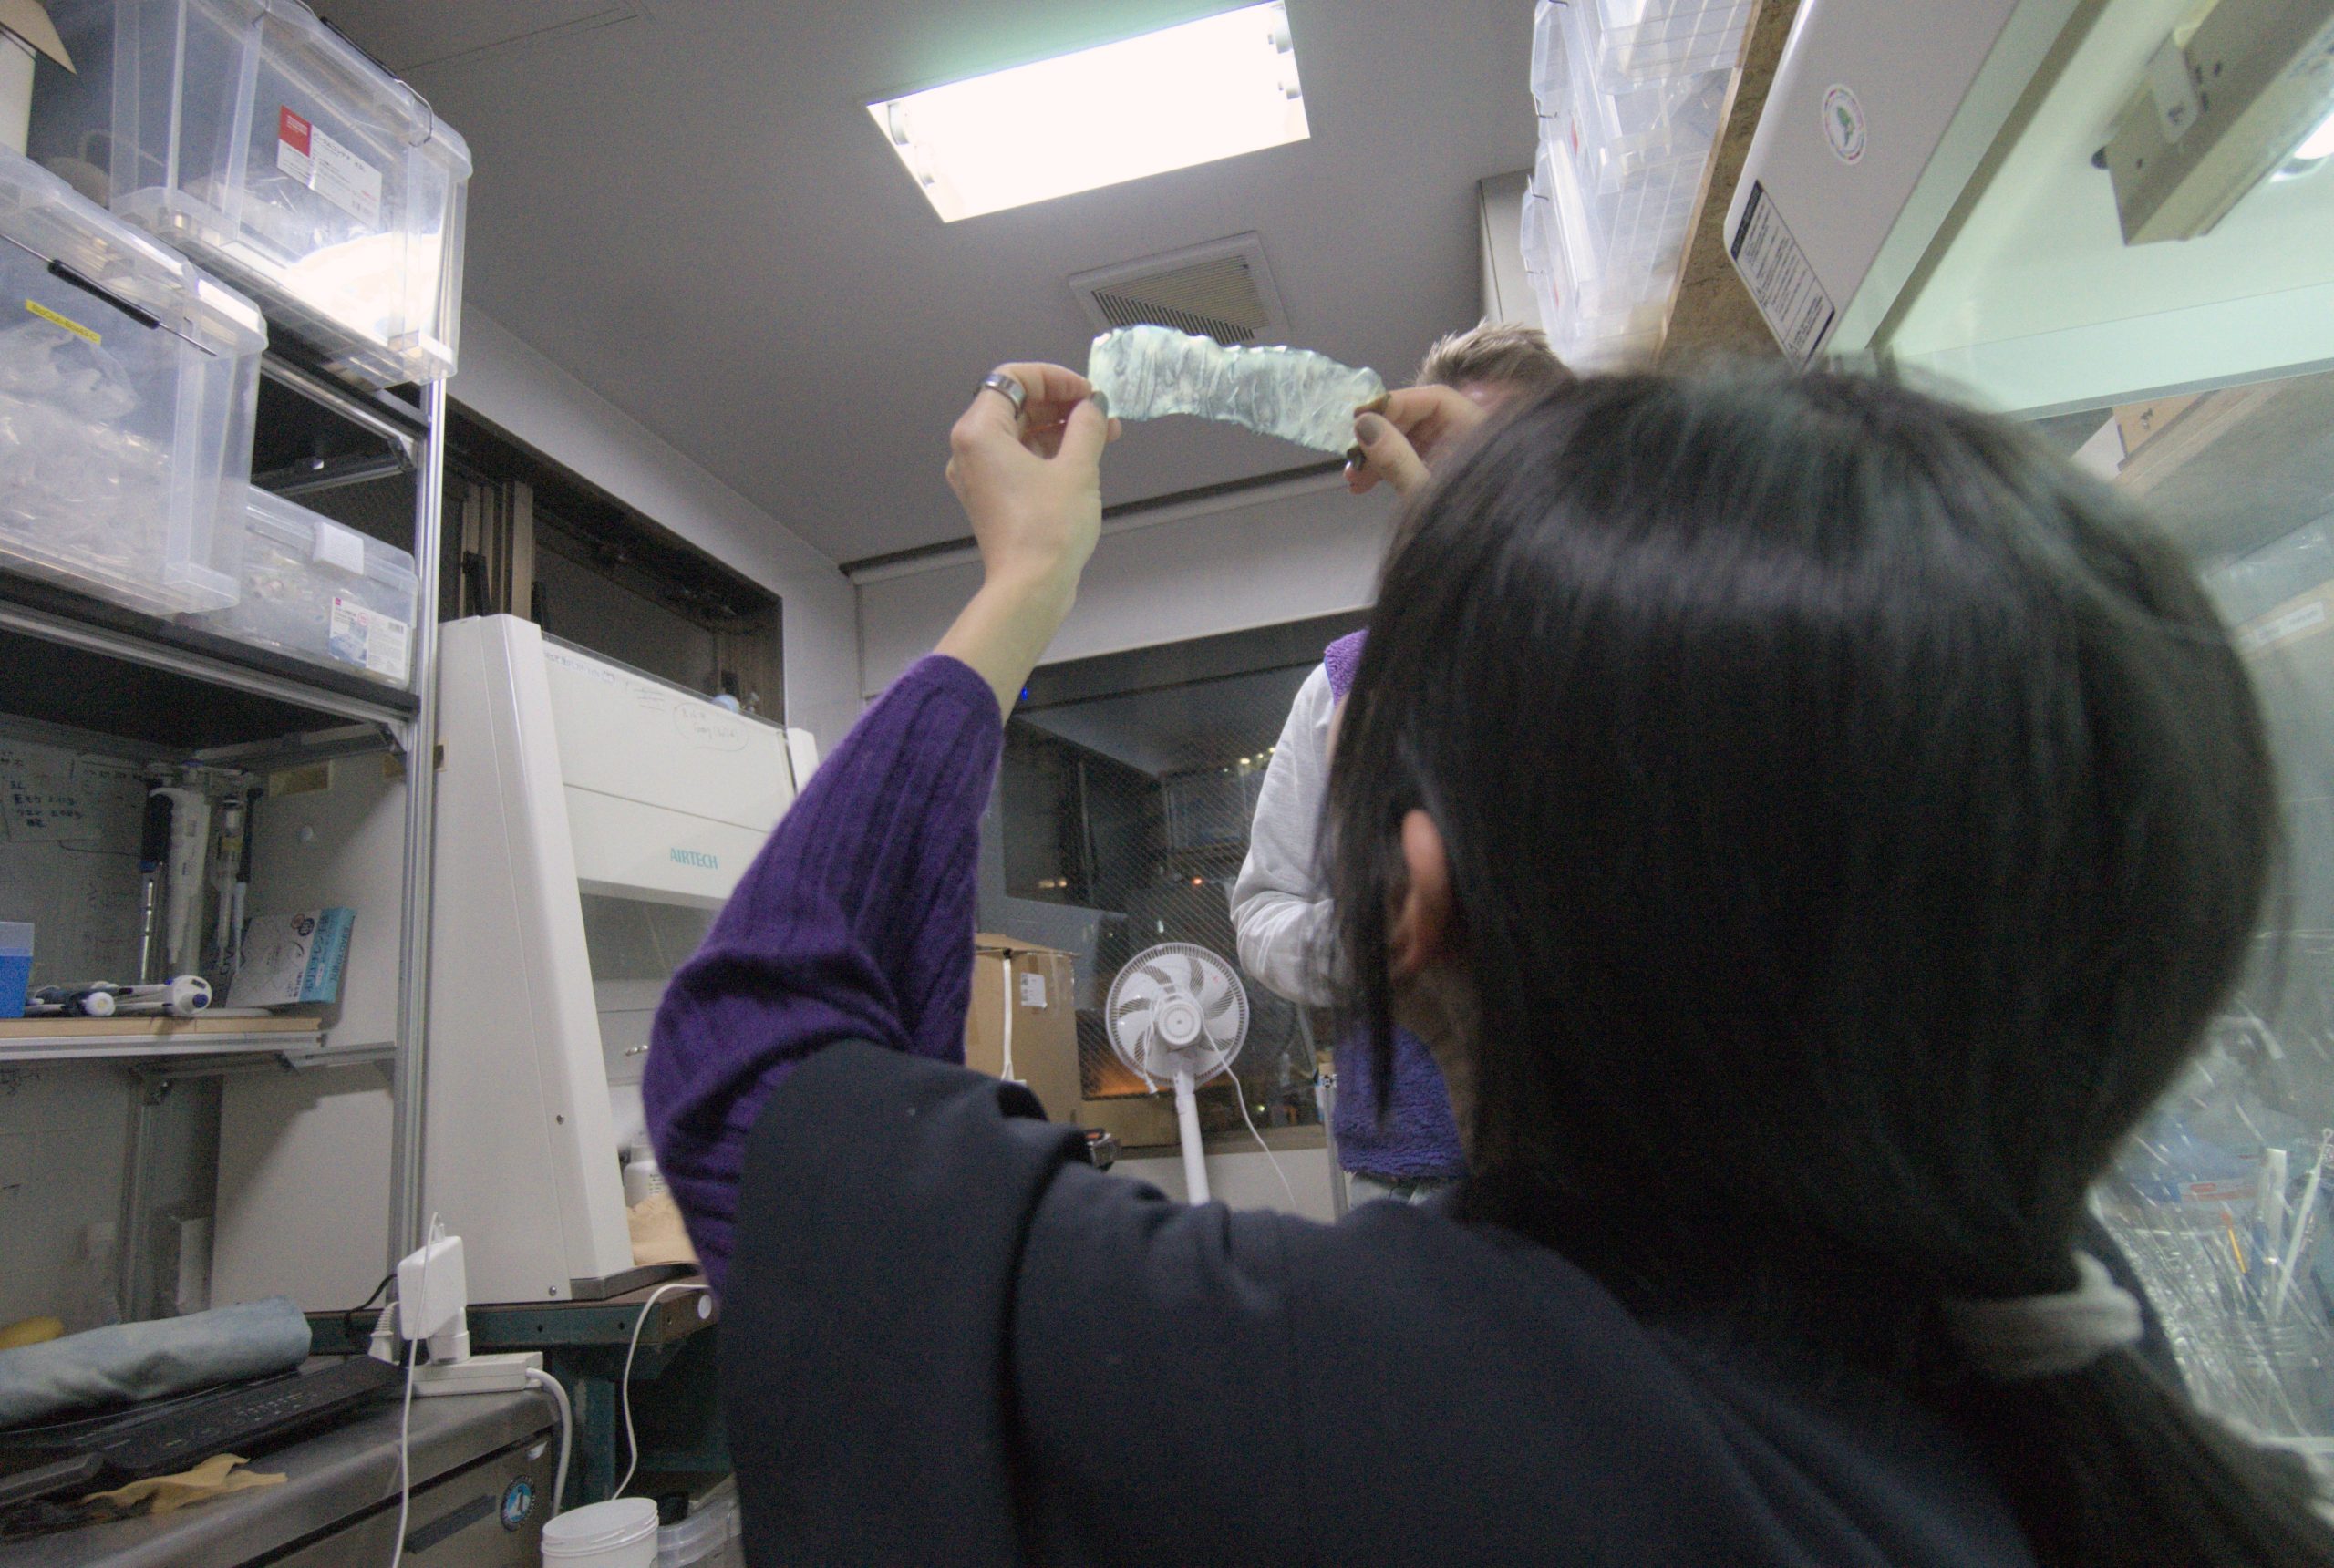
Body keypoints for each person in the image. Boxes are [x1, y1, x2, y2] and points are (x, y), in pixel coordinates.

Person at [644, 359, 2334, 1566]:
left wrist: (1026, 577)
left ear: (1414, 899)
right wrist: (1531, 521)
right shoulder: (2068, 1355)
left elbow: (756, 1072)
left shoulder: (1392, 1416)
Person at [1231, 320, 1571, 1205]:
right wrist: (1377, 944)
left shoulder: (1634, 652)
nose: (1479, 489)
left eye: (1508, 456)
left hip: (1628, 1154)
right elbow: (1263, 909)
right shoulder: (1346, 684)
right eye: (1454, 462)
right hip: (1414, 1172)